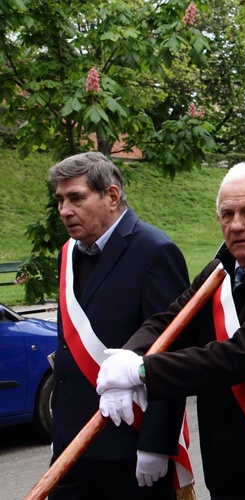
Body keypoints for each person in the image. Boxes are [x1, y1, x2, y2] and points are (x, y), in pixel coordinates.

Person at [96, 161, 245, 498]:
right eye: (227, 214)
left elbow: (236, 357)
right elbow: (172, 323)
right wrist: (126, 356)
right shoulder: (218, 273)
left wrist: (142, 371)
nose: (236, 225)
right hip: (227, 467)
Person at [48, 151, 190, 498]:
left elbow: (171, 349)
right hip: (70, 443)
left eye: (76, 197)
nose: (65, 210)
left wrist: (157, 444)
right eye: (60, 200)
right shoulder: (68, 254)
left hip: (128, 443)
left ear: (111, 196)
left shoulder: (155, 250)